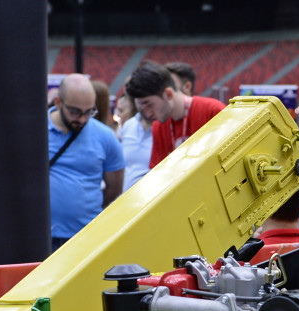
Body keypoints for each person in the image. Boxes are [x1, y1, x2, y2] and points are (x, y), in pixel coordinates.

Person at [48, 73, 124, 252]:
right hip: (41, 236)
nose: (82, 119)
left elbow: (114, 189)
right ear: (58, 103)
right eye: (75, 112)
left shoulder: (105, 137)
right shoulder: (34, 129)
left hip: (85, 236)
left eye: (89, 112)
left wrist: (84, 208)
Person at [125, 61, 225, 170]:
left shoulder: (213, 111)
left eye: (149, 104)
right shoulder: (158, 126)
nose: (148, 113)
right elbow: (158, 173)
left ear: (168, 94)